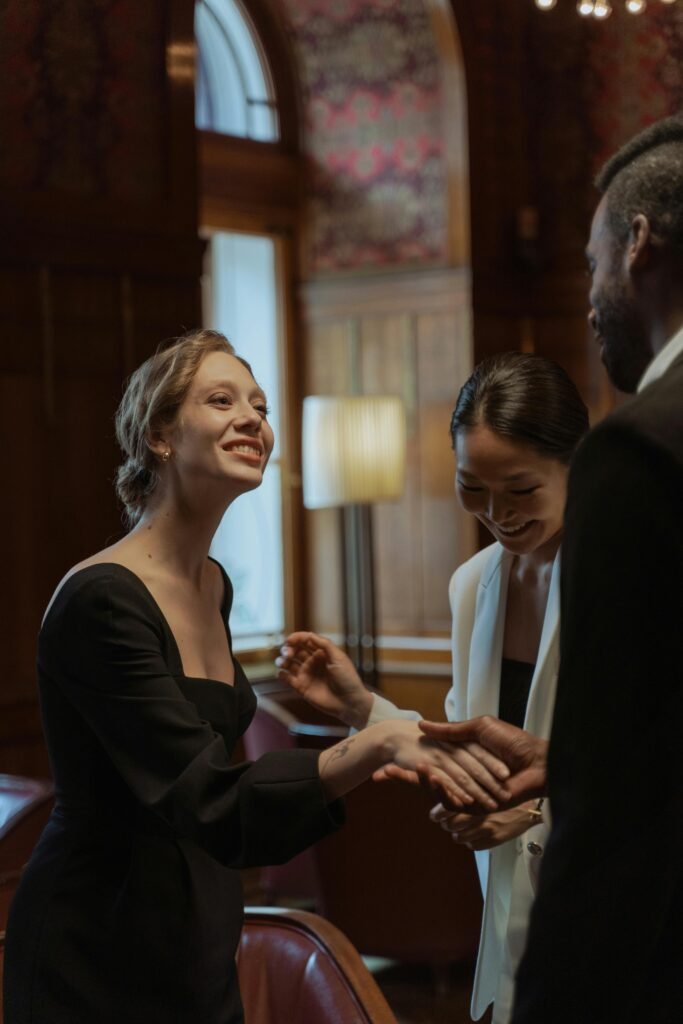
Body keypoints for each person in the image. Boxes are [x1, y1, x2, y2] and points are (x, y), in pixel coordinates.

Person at [2, 329, 511, 1024]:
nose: (252, 419)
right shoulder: (104, 599)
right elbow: (208, 799)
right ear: (157, 435)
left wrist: (371, 718)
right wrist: (377, 743)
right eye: (221, 400)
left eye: (260, 406)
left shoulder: (213, 584)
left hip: (197, 931)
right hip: (101, 942)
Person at [416, 114, 683, 1024]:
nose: (590, 297)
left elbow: (624, 796)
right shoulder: (474, 586)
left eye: (591, 262)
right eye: (472, 491)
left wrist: (551, 796)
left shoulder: (642, 453)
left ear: (637, 244)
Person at [277, 351, 589, 1024]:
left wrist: (535, 811)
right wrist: (362, 707)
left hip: (615, 919)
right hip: (509, 932)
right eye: (471, 487)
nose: (497, 513)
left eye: (521, 488)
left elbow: (651, 763)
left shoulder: (627, 578)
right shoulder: (471, 585)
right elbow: (463, 741)